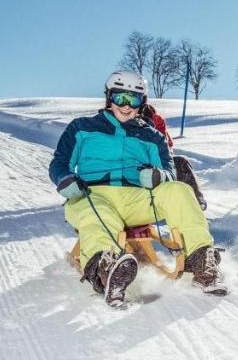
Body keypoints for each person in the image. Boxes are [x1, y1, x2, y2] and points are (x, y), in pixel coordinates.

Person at [49, 70, 226, 305]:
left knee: (180, 190)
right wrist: (65, 180)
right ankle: (105, 270)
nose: (126, 105)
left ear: (142, 103)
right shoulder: (82, 128)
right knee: (97, 215)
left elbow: (170, 173)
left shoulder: (152, 136)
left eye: (133, 99)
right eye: (120, 97)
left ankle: (201, 260)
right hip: (91, 195)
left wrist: (157, 176)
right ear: (108, 97)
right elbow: (60, 163)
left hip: (137, 199)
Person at [140, 102, 208, 210]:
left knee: (180, 162)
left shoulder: (155, 124)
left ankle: (195, 199)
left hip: (159, 162)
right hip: (138, 165)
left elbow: (167, 145)